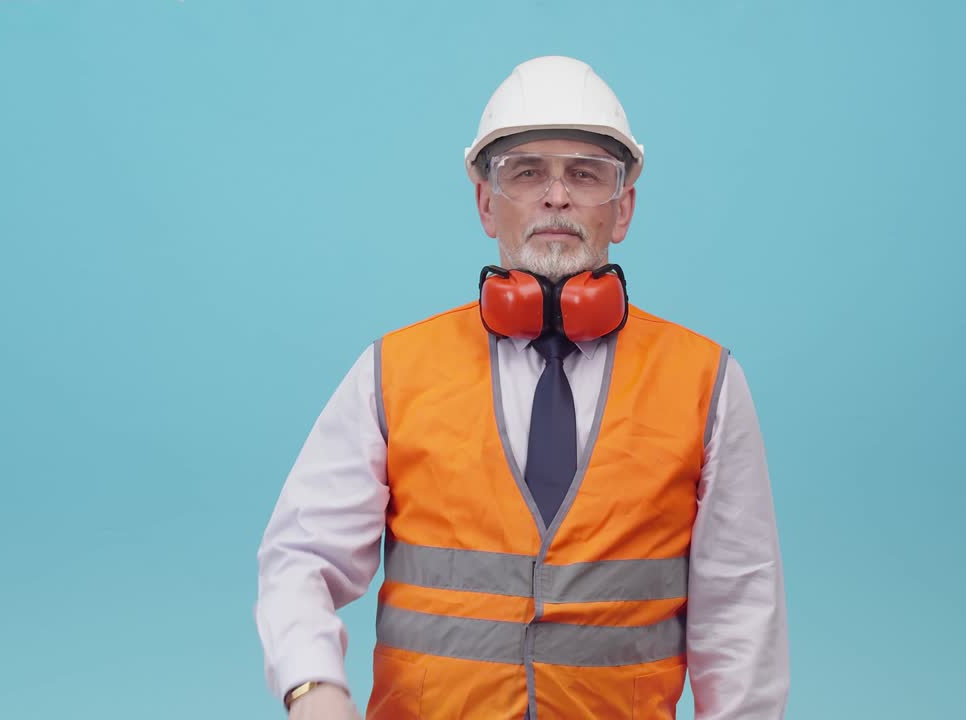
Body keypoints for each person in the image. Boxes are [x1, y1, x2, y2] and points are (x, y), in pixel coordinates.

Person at [255, 55, 789, 719]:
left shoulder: (707, 383)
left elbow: (740, 612)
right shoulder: (393, 371)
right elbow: (300, 556)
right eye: (527, 172)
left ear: (623, 208)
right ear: (486, 202)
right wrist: (312, 687)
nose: (556, 195)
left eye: (586, 174)